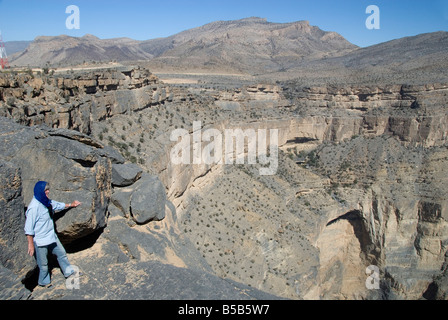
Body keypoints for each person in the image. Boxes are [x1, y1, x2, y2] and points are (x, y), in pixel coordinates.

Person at [24, 181, 81, 288]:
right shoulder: (34, 207)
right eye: (46, 190)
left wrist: (71, 205)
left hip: (51, 236)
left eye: (48, 189)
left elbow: (56, 205)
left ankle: (69, 272)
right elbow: (28, 229)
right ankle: (44, 282)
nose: (48, 191)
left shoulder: (46, 201)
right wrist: (31, 244)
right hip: (40, 241)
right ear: (40, 191)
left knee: (62, 254)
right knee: (44, 265)